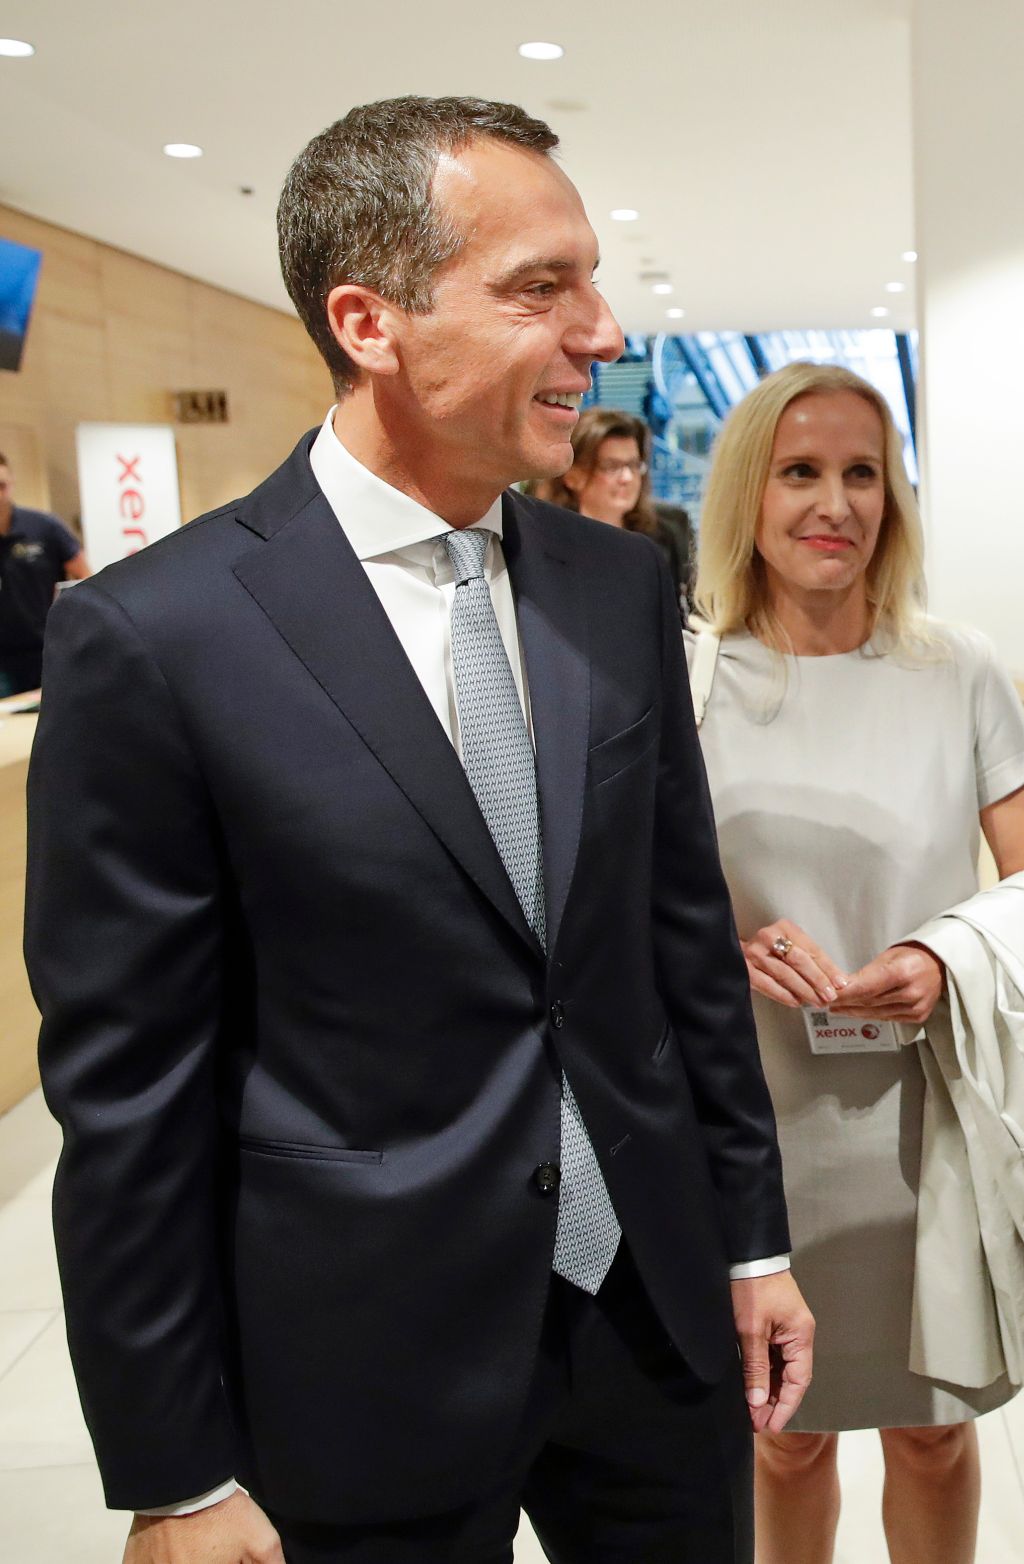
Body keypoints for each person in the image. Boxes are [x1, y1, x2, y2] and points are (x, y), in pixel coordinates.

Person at [26, 95, 811, 1564]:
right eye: (539, 288)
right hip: (356, 1357)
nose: (602, 329)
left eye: (590, 279)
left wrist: (750, 1238)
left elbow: (678, 944)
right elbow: (130, 1099)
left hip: (652, 1320)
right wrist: (174, 1473)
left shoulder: (613, 587)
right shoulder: (156, 636)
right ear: (369, 320)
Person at [688, 362, 1024, 1564]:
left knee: (931, 1428)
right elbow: (626, 912)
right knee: (782, 1429)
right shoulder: (689, 680)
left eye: (862, 473)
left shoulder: (952, 668)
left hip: (926, 1113)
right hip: (759, 1125)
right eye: (800, 472)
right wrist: (715, 944)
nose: (834, 503)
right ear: (748, 494)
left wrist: (939, 955)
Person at [539, 406, 695, 622]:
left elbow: (688, 612)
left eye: (633, 465)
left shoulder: (670, 529)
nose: (627, 478)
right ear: (572, 475)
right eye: (611, 466)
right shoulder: (544, 540)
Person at [0, 451, 89, 693]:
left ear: (11, 483)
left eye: (1, 486)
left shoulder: (43, 526)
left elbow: (85, 578)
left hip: (46, 649)